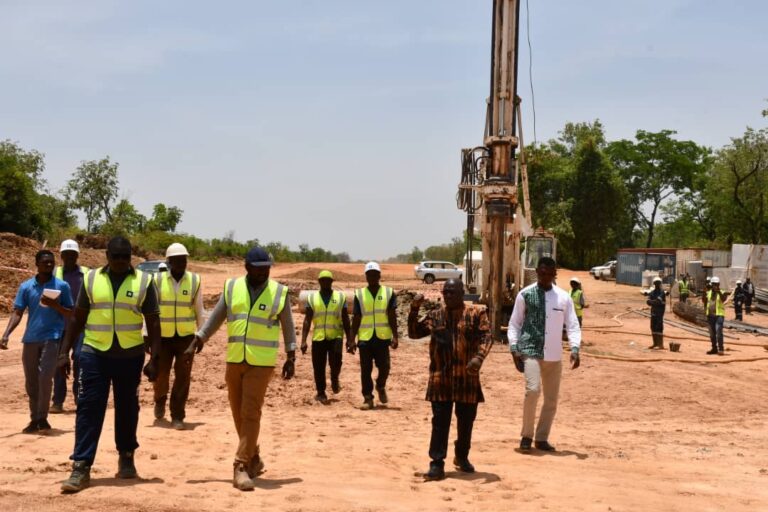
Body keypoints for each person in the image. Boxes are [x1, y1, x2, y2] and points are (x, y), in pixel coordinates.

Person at [187, 246, 297, 491]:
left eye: (267, 269)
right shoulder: (231, 287)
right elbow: (216, 316)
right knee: (237, 412)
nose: (264, 273)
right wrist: (200, 338)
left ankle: (240, 466)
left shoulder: (279, 292)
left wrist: (291, 354)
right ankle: (254, 456)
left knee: (250, 412)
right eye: (259, 269)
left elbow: (288, 324)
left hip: (262, 362)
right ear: (247, 268)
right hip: (235, 359)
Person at [57, 236, 161, 493]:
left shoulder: (144, 282)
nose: (121, 262)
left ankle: (126, 456)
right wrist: (64, 352)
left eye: (126, 257)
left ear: (130, 258)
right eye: (116, 257)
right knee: (89, 408)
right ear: (107, 257)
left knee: (128, 408)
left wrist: (155, 359)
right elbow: (77, 319)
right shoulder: (91, 279)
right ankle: (81, 466)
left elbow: (154, 323)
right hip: (95, 353)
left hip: (130, 355)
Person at [408, 279, 492, 481]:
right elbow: (413, 333)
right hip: (441, 379)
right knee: (440, 423)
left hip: (467, 379)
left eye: (453, 293)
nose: (448, 296)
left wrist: (479, 358)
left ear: (462, 293)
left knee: (466, 423)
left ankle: (462, 456)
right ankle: (436, 463)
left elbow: (487, 337)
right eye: (446, 293)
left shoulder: (476, 313)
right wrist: (413, 310)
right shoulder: (436, 316)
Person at [507, 257, 581, 452]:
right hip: (530, 350)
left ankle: (541, 438)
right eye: (542, 273)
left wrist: (575, 348)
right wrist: (514, 349)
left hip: (554, 355)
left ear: (555, 274)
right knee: (533, 390)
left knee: (551, 399)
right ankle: (526, 436)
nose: (546, 277)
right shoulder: (525, 295)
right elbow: (514, 324)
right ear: (537, 272)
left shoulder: (563, 298)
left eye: (550, 273)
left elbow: (572, 324)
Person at [1, 250, 74, 433]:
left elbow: (70, 313)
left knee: (45, 378)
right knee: (31, 381)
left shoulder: (61, 286)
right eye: (45, 262)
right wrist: (6, 333)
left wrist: (55, 306)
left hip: (53, 337)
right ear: (37, 264)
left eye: (51, 262)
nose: (49, 265)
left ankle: (42, 417)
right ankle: (34, 418)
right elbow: (18, 311)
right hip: (31, 338)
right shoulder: (26, 287)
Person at [152, 243, 204, 430]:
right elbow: (150, 312)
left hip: (185, 338)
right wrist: (146, 335)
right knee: (161, 374)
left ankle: (177, 415)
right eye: (178, 260)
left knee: (183, 377)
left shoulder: (195, 281)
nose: (182, 263)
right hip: (163, 338)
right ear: (169, 261)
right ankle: (159, 399)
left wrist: (201, 335)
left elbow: (199, 310)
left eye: (184, 259)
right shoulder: (157, 281)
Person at [349, 261, 399, 410]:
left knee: (385, 367)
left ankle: (381, 385)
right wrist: (351, 339)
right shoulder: (360, 294)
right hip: (365, 338)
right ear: (366, 276)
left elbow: (392, 316)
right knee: (365, 370)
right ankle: (367, 398)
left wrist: (395, 336)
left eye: (374, 274)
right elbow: (356, 317)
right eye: (369, 274)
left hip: (382, 337)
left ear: (379, 275)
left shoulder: (389, 293)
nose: (372, 277)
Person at [300, 270, 350, 403]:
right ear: (319, 282)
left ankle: (334, 379)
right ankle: (321, 392)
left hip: (336, 337)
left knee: (336, 363)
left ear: (332, 282)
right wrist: (303, 340)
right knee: (318, 366)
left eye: (328, 280)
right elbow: (307, 320)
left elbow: (345, 319)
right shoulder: (312, 298)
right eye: (323, 280)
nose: (326, 282)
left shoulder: (340, 297)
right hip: (319, 337)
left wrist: (350, 339)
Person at [51, 239, 89, 414]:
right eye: (66, 255)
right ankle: (58, 401)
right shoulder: (54, 273)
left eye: (73, 255)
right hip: (59, 326)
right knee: (59, 362)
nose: (69, 258)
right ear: (61, 256)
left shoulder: (87, 274)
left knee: (80, 359)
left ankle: (79, 398)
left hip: (81, 327)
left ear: (77, 255)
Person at [703, 276, 728, 356]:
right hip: (710, 316)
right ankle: (714, 348)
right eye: (714, 284)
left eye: (716, 284)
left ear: (719, 284)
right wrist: (704, 291)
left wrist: (719, 292)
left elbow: (724, 299)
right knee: (712, 334)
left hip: (719, 316)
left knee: (718, 331)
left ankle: (721, 349)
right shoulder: (709, 292)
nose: (715, 286)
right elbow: (704, 301)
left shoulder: (722, 292)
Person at [646, 277, 666, 350]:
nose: (657, 284)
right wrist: (653, 302)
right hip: (653, 313)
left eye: (658, 283)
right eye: (656, 283)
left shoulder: (662, 292)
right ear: (654, 284)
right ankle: (655, 343)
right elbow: (648, 302)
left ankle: (660, 345)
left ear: (660, 284)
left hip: (660, 313)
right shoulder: (652, 292)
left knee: (659, 328)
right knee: (653, 327)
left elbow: (656, 301)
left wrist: (652, 302)